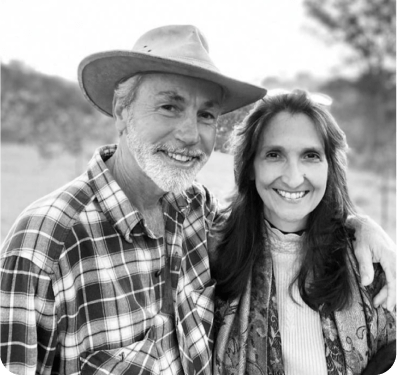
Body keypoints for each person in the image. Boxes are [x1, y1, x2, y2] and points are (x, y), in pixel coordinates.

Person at [0, 26, 395, 375]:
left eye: (206, 115)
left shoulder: (196, 212)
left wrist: (359, 225)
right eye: (170, 106)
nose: (190, 134)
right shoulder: (46, 244)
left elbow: (287, 214)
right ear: (122, 111)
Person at [212, 90, 397, 375]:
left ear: (329, 167)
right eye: (274, 154)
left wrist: (361, 223)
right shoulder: (209, 252)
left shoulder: (368, 264)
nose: (294, 177)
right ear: (250, 166)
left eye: (310, 156)